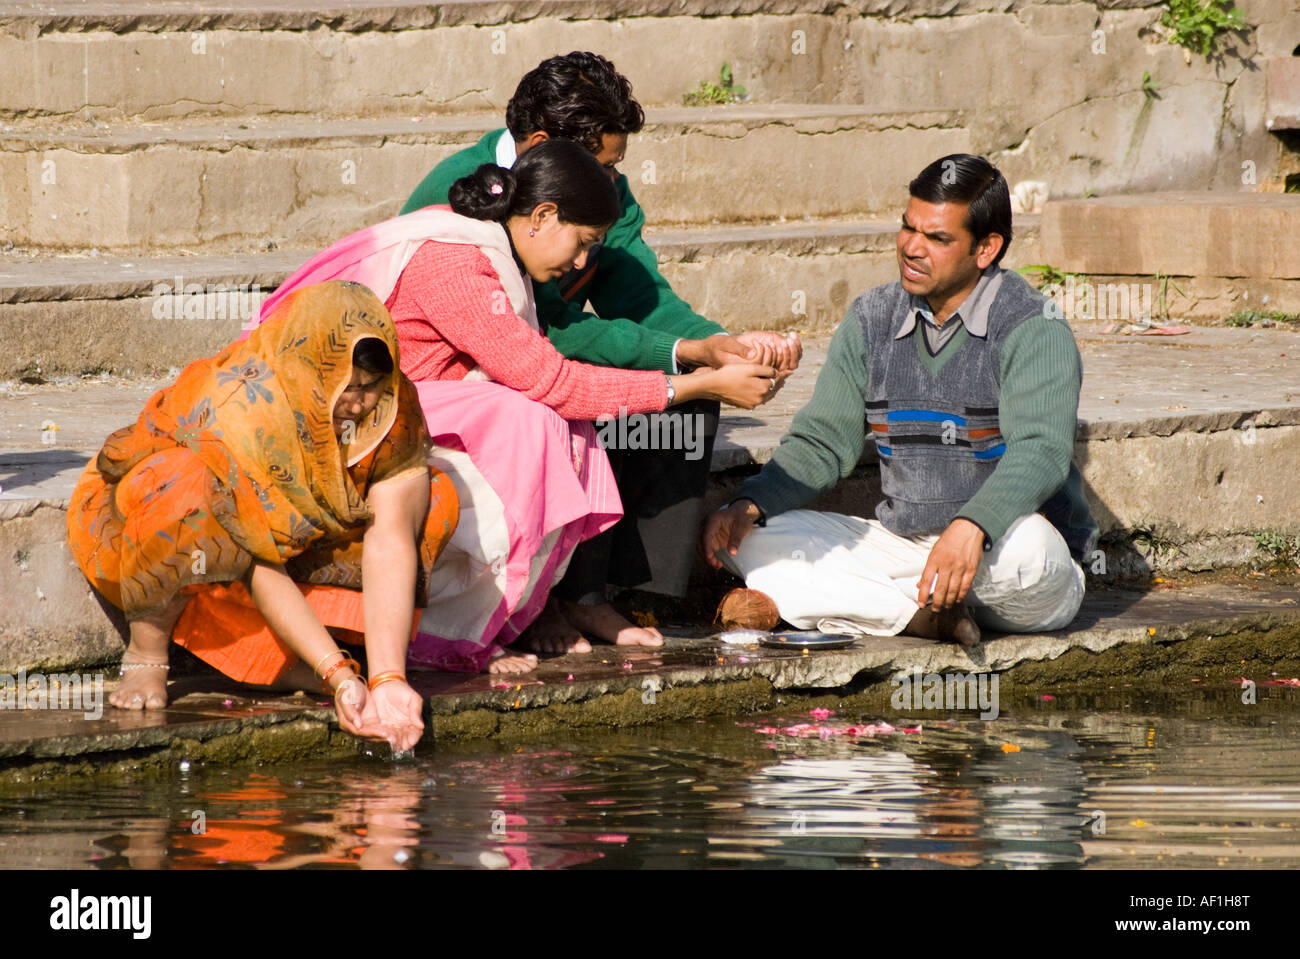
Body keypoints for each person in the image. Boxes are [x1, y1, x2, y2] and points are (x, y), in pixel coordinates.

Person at [253, 138, 781, 674]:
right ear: (543, 215)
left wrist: (696, 364)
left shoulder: (493, 250)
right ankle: (462, 633)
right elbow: (551, 381)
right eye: (582, 243)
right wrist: (692, 387)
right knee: (532, 421)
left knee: (554, 418)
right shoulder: (456, 264)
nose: (580, 262)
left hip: (405, 407)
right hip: (345, 423)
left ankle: (542, 609)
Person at [402, 51, 802, 655]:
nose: (613, 181)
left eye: (616, 167)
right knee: (578, 405)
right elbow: (545, 337)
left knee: (684, 410)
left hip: (542, 361)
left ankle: (608, 595)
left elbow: (640, 292)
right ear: (541, 145)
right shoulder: (461, 193)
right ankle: (541, 600)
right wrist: (684, 357)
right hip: (474, 383)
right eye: (604, 165)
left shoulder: (598, 191)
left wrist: (715, 346)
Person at [702, 155, 1098, 646]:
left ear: (986, 248)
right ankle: (925, 618)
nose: (912, 247)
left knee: (1033, 551)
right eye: (908, 228)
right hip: (906, 551)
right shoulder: (872, 317)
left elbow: (1041, 450)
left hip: (1002, 558)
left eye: (937, 238)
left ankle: (871, 607)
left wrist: (972, 526)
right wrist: (750, 503)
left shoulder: (1034, 325)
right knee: (749, 541)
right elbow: (824, 441)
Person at [66, 281, 458, 751]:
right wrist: (337, 676)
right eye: (344, 388)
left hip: (295, 546)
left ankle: (318, 656)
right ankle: (148, 650)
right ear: (303, 369)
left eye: (369, 388)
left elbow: (391, 537)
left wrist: (389, 677)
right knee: (185, 491)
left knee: (433, 496)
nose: (357, 404)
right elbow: (257, 556)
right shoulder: (238, 406)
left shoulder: (394, 408)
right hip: (180, 540)